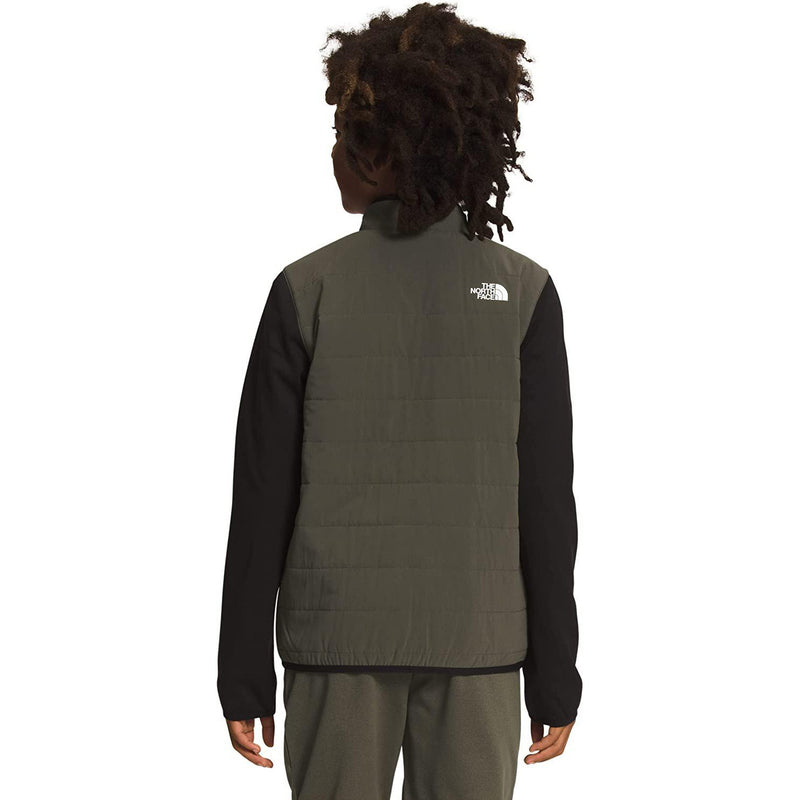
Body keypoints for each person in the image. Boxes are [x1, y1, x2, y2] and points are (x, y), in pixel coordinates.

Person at [217, 3, 582, 797]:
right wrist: (556, 675)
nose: (334, 155)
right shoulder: (524, 292)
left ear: (386, 152)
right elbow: (548, 503)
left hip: (335, 646)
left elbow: (261, 497)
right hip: (482, 645)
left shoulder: (304, 290)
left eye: (346, 137)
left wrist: (243, 673)